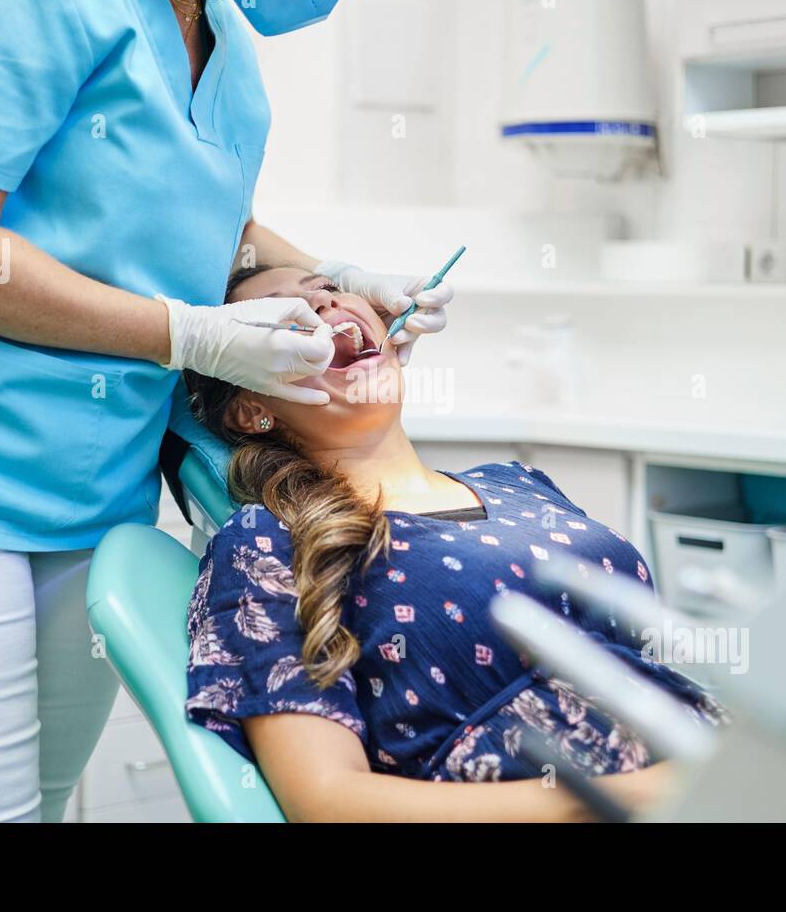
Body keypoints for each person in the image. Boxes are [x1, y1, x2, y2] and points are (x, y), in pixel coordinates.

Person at [0, 0, 452, 823]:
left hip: (95, 496)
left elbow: (220, 230)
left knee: (43, 808)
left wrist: (332, 271)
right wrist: (187, 332)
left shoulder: (228, 44)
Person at [183, 264, 726, 822]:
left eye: (328, 290)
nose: (323, 308)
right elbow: (326, 802)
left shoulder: (517, 483)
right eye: (284, 317)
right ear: (251, 410)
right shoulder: (269, 540)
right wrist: (644, 794)